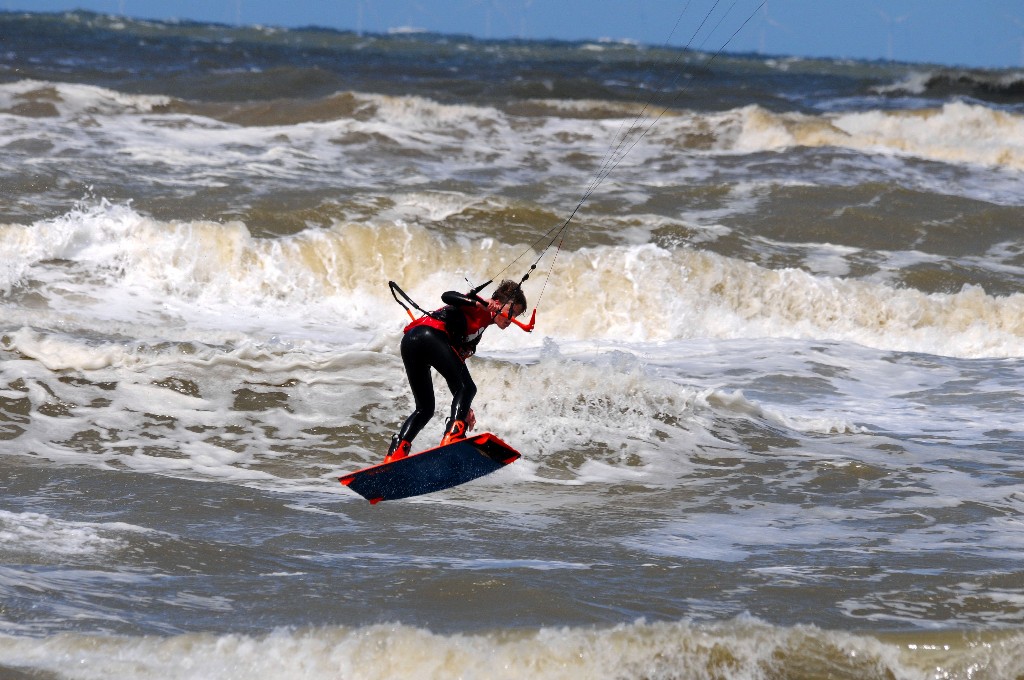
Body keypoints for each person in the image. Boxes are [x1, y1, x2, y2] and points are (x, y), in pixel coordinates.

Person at [385, 279, 528, 463]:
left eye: (515, 316)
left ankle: (395, 454)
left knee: (425, 409)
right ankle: (453, 436)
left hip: (412, 343)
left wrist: (464, 408)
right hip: (428, 336)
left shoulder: (478, 331)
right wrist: (478, 303)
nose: (511, 320)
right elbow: (447, 296)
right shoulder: (480, 307)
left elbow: (455, 376)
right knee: (468, 388)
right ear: (498, 304)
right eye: (511, 313)